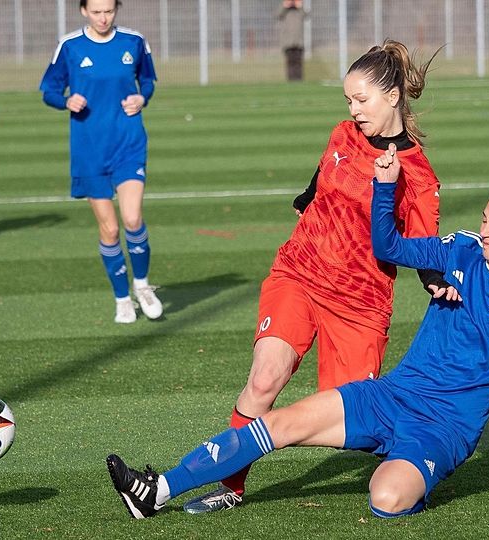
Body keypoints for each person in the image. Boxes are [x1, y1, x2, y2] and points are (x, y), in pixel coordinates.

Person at [106, 139, 489, 519]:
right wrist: (386, 187)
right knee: (276, 425)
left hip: (445, 429)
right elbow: (390, 247)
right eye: (484, 218)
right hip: (391, 395)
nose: (484, 229)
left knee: (386, 499)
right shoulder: (459, 248)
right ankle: (157, 490)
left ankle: (413, 472)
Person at [181, 40, 457, 514]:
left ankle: (421, 458)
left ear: (393, 97)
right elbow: (322, 173)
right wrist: (306, 197)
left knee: (360, 424)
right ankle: (232, 486)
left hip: (359, 304)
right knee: (264, 380)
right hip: (300, 272)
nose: (353, 110)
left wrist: (436, 279)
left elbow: (422, 243)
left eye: (361, 100)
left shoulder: (418, 174)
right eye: (348, 100)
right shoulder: (341, 133)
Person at [39, 0, 162, 324]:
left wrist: (142, 97)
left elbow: (147, 80)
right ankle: (122, 298)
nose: (103, 17)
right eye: (96, 11)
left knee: (132, 218)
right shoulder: (70, 46)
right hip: (89, 149)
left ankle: (143, 285)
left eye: (108, 10)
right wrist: (65, 100)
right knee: (109, 229)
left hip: (128, 143)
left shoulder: (133, 42)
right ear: (83, 11)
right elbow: (48, 89)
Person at [277, 0, 306, 81]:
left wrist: (299, 6)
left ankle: (299, 79)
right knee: (290, 62)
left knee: (298, 62)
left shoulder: (299, 10)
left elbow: (305, 15)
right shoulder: (285, 10)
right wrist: (285, 5)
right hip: (288, 41)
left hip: (298, 41)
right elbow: (278, 15)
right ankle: (290, 79)